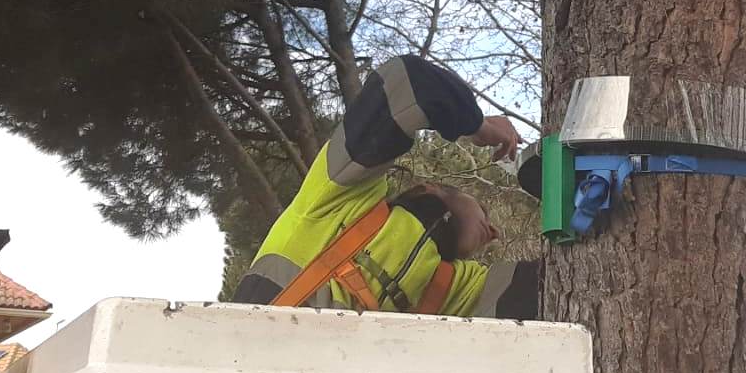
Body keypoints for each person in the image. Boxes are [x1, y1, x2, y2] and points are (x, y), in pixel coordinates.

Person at [230, 55, 540, 318]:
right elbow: (405, 81)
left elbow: (546, 290)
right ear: (428, 188)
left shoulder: (454, 286)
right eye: (484, 211)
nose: (495, 231)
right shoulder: (340, 195)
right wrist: (478, 127)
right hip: (241, 362)